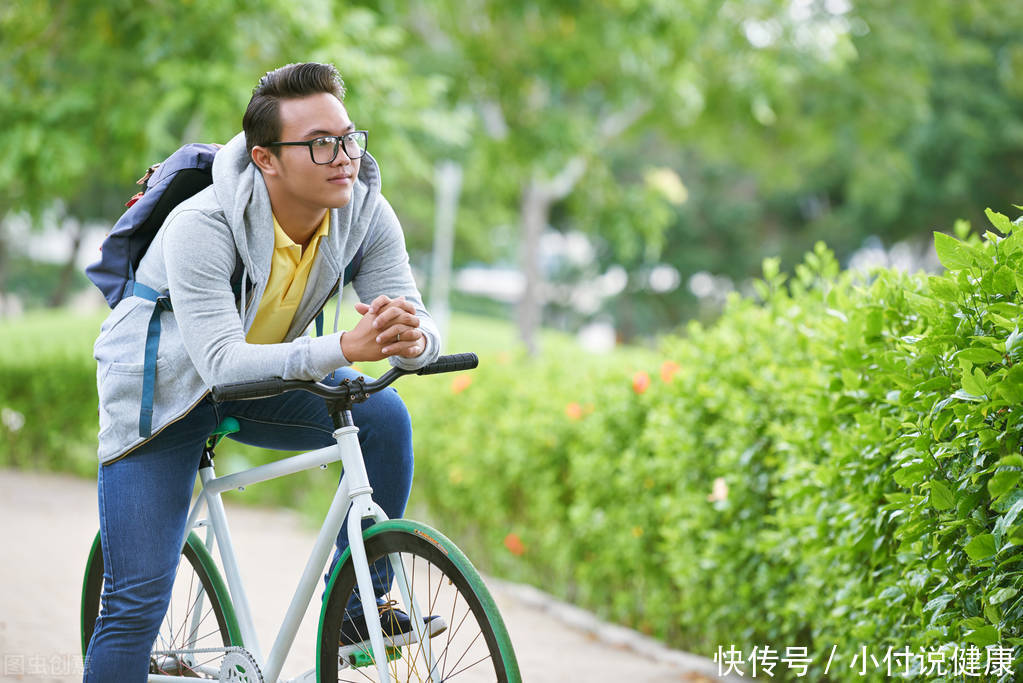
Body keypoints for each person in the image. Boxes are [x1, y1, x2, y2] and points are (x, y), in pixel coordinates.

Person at [84, 62, 442, 680]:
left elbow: (416, 324)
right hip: (161, 395)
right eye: (320, 144)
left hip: (262, 377)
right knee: (134, 605)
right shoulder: (202, 224)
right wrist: (344, 347)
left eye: (349, 138)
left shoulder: (365, 214)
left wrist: (415, 339)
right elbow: (221, 365)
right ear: (266, 159)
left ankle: (359, 610)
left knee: (382, 418)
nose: (344, 158)